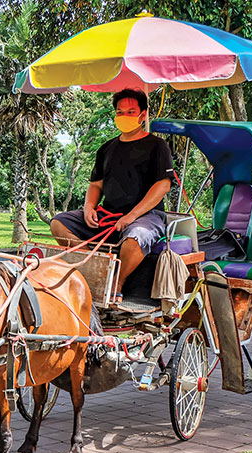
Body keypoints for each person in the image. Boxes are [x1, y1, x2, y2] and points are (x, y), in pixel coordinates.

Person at [51, 88, 174, 301]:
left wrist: (131, 216)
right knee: (58, 223)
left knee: (136, 237)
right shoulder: (107, 148)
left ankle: (117, 282)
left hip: (146, 216)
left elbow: (162, 186)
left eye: (130, 112)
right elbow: (96, 185)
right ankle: (94, 270)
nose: (124, 117)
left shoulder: (157, 146)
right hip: (107, 214)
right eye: (120, 112)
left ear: (142, 115)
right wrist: (89, 207)